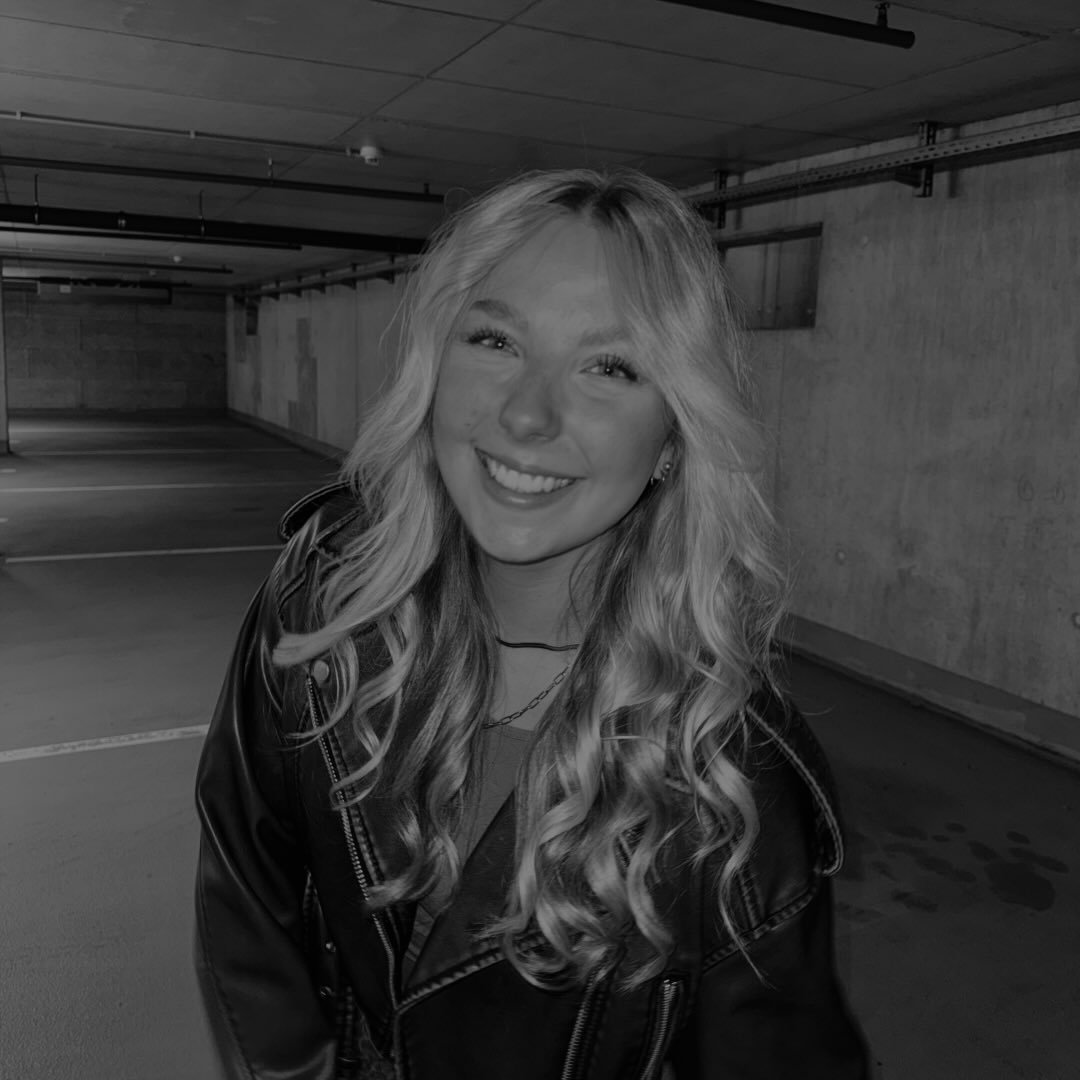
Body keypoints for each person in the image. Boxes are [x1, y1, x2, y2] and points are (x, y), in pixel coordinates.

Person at [194, 168, 870, 1079]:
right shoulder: (323, 609)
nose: (525, 413)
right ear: (435, 365)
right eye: (495, 339)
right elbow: (246, 912)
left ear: (675, 437)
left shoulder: (735, 773)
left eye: (610, 366)